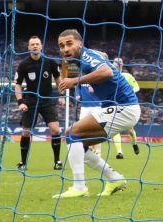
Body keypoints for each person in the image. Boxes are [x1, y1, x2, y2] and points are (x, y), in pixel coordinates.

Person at [53, 30, 140, 198]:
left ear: (80, 44)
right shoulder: (82, 59)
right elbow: (102, 62)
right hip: (119, 108)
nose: (65, 49)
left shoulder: (86, 56)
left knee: (72, 133)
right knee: (77, 142)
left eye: (69, 44)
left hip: (124, 107)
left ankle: (80, 187)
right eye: (61, 46)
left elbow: (107, 72)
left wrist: (74, 81)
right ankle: (114, 179)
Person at [14, 35, 63, 171]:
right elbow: (17, 84)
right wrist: (20, 102)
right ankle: (23, 163)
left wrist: (61, 95)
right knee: (26, 133)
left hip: (47, 100)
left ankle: (57, 161)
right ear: (29, 47)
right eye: (32, 44)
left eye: (37, 44)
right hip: (30, 101)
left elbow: (58, 78)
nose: (35, 46)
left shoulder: (50, 62)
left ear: (41, 46)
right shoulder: (23, 65)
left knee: (56, 130)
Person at [110, 57, 142, 159]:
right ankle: (119, 152)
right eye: (115, 63)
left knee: (130, 130)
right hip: (115, 104)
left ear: (121, 65)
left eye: (118, 64)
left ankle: (134, 144)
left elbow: (137, 87)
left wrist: (129, 93)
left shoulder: (127, 76)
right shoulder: (110, 76)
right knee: (115, 129)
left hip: (127, 105)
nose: (117, 65)